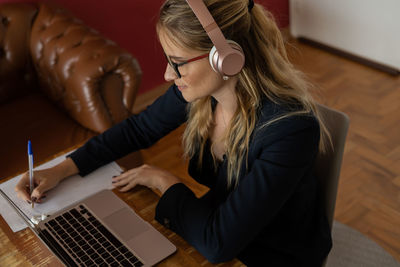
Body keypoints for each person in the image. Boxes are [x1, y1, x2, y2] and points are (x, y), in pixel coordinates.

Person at [15, 0, 333, 266]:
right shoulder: (201, 95)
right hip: (224, 224)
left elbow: (219, 244)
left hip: (271, 254)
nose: (169, 74)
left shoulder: (290, 129)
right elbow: (137, 129)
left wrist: (164, 181)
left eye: (178, 63)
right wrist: (61, 169)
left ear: (227, 59)